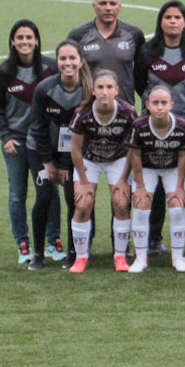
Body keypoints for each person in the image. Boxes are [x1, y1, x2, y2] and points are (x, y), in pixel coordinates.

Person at [0, 19, 62, 265]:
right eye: (20, 38)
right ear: (12, 41)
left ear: (37, 41)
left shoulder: (51, 68)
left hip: (43, 144)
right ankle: (23, 244)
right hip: (17, 143)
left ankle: (53, 242)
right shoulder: (4, 72)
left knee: (50, 191)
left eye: (29, 38)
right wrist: (5, 136)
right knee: (18, 194)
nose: (24, 42)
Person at [134, 0, 185, 257]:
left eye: (177, 17)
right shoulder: (146, 52)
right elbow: (140, 84)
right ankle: (153, 237)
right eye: (168, 17)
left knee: (182, 182)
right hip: (155, 128)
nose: (172, 22)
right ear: (160, 21)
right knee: (157, 185)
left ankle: (183, 238)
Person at [26, 40, 92, 270]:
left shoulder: (88, 91)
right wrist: (48, 162)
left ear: (81, 61)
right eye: (63, 58)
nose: (68, 63)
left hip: (73, 154)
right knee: (44, 197)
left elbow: (81, 132)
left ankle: (75, 252)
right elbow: (37, 128)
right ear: (57, 61)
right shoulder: (45, 89)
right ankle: (38, 254)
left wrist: (65, 163)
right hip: (40, 150)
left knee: (74, 199)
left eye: (72, 58)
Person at [68, 70, 138, 273]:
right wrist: (82, 180)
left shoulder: (128, 112)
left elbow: (134, 147)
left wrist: (125, 178)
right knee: (83, 204)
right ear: (93, 90)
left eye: (109, 87)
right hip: (90, 160)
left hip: (119, 160)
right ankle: (81, 257)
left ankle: (120, 256)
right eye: (100, 87)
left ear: (116, 90)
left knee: (121, 202)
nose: (105, 92)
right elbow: (75, 148)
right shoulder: (83, 113)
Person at [124, 85, 185, 272]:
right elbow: (135, 156)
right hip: (148, 168)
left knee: (177, 208)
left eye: (163, 103)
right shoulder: (139, 125)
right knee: (141, 205)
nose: (159, 107)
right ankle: (140, 258)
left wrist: (179, 187)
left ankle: (178, 257)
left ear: (171, 105)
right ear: (147, 105)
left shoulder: (182, 125)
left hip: (172, 169)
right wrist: (140, 187)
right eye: (155, 103)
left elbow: (183, 156)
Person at [67, 0, 146, 105]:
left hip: (124, 108)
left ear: (119, 7)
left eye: (112, 3)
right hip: (89, 108)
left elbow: (141, 74)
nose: (108, 8)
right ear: (94, 6)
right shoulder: (78, 35)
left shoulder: (134, 34)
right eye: (103, 3)